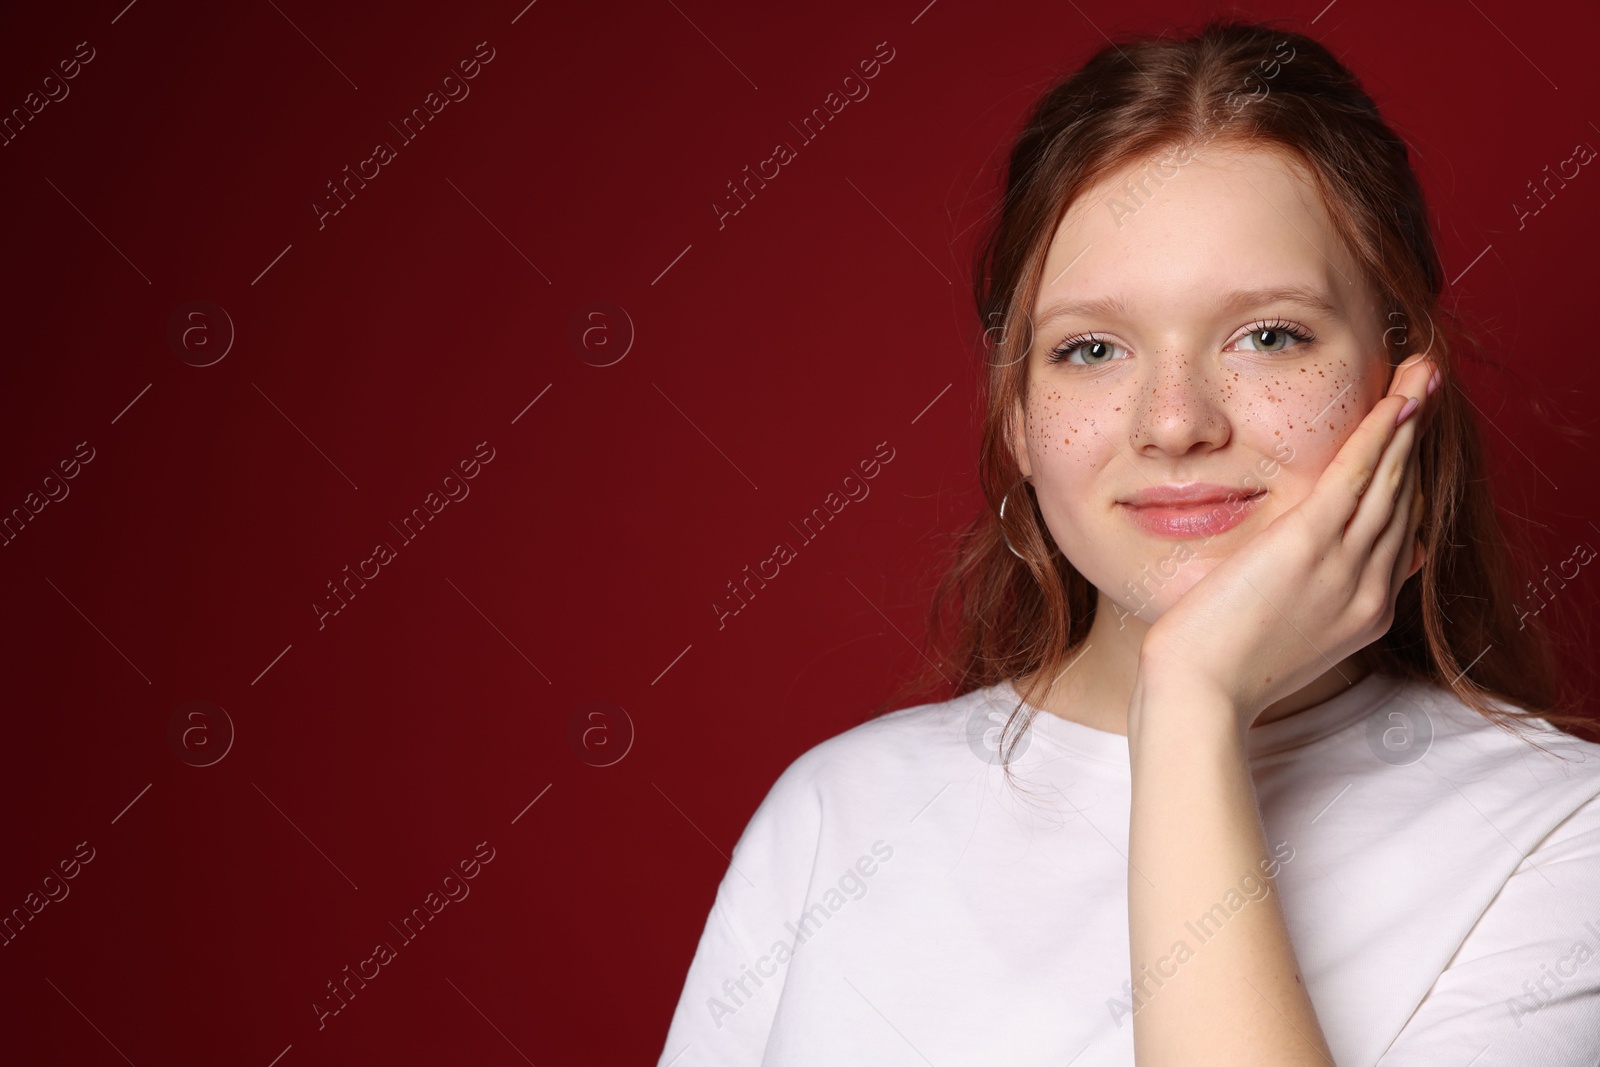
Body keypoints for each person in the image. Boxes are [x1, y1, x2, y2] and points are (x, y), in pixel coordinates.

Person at [656, 19, 1600, 1066]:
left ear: (1401, 380)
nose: (1172, 420)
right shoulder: (837, 815)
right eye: (1090, 348)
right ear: (1014, 413)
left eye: (1269, 334)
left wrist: (1192, 701)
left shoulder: (1564, 837)